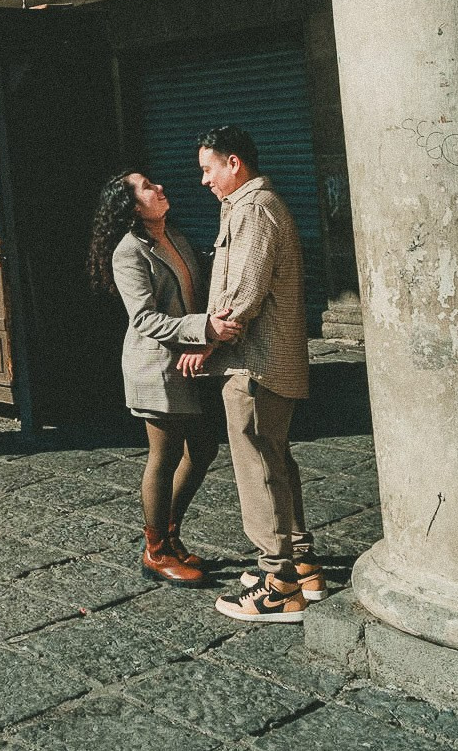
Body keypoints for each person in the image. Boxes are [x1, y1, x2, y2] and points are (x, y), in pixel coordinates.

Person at [183, 126, 320, 623]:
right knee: (275, 459)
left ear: (234, 163)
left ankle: (278, 582)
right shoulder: (247, 207)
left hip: (254, 363)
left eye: (208, 169)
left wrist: (206, 343)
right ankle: (301, 562)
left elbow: (243, 292)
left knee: (258, 466)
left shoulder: (254, 210)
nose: (204, 181)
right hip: (261, 360)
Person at [89, 168, 242, 587]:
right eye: (146, 188)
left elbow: (197, 292)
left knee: (204, 448)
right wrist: (204, 329)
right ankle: (156, 551)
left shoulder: (173, 235)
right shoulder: (128, 250)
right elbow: (143, 319)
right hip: (154, 365)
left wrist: (206, 335)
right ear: (131, 206)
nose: (159, 188)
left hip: (189, 360)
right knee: (166, 454)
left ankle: (169, 536)